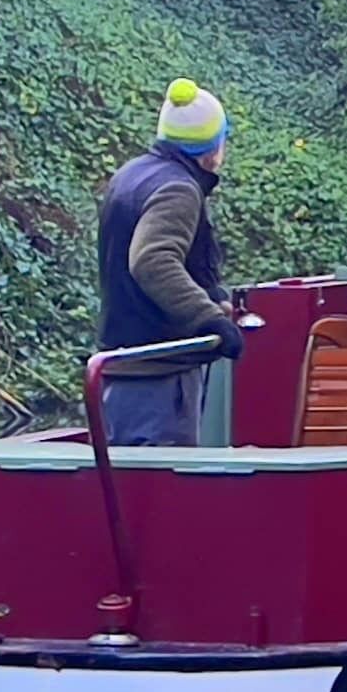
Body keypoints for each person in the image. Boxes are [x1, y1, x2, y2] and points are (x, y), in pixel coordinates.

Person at [94, 79, 244, 446]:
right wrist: (207, 318)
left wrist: (210, 293)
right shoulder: (179, 189)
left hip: (120, 369)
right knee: (161, 495)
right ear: (212, 148)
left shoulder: (130, 174)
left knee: (129, 490)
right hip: (158, 379)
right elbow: (152, 260)